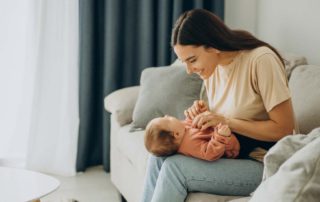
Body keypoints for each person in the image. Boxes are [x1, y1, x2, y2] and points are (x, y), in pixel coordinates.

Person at [141, 9, 296, 202]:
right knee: (157, 158)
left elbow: (285, 129)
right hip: (231, 154)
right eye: (184, 63)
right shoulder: (213, 70)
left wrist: (225, 121)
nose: (189, 70)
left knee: (175, 168)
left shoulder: (260, 60)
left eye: (192, 60)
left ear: (213, 46)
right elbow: (226, 121)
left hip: (263, 162)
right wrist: (205, 114)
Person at [144, 114, 240, 161]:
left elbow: (194, 123)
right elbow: (210, 153)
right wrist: (221, 136)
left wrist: (197, 111)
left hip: (223, 128)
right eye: (167, 119)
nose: (167, 115)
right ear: (176, 134)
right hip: (233, 146)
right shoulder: (190, 145)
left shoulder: (182, 128)